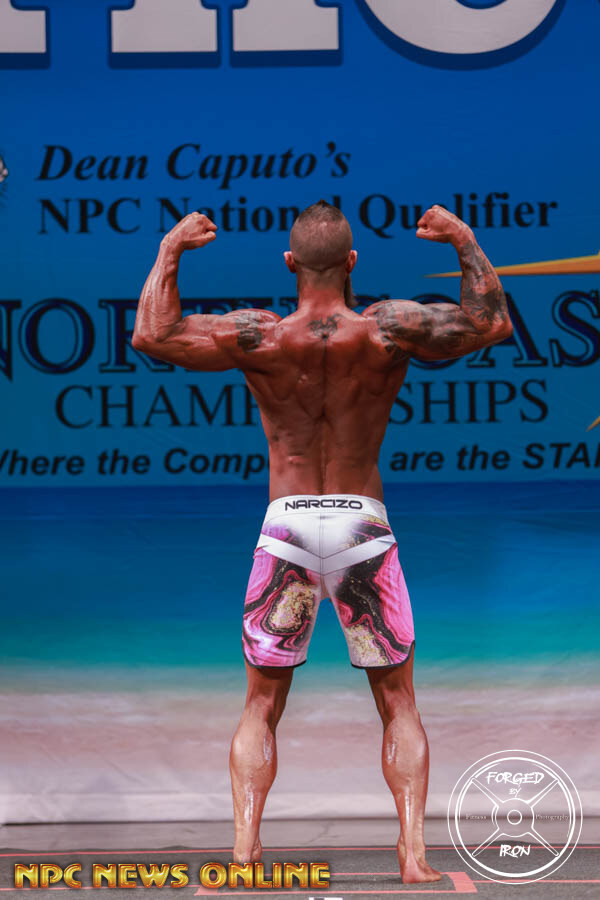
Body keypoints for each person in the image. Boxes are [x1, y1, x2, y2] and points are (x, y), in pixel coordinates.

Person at [132, 201, 512, 884]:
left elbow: (151, 335)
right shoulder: (388, 329)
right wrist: (463, 239)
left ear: (290, 263)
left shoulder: (260, 336)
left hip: (289, 522)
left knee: (260, 705)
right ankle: (413, 856)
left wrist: (170, 248)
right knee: (398, 703)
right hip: (362, 522)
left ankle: (245, 853)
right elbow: (491, 323)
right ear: (352, 262)